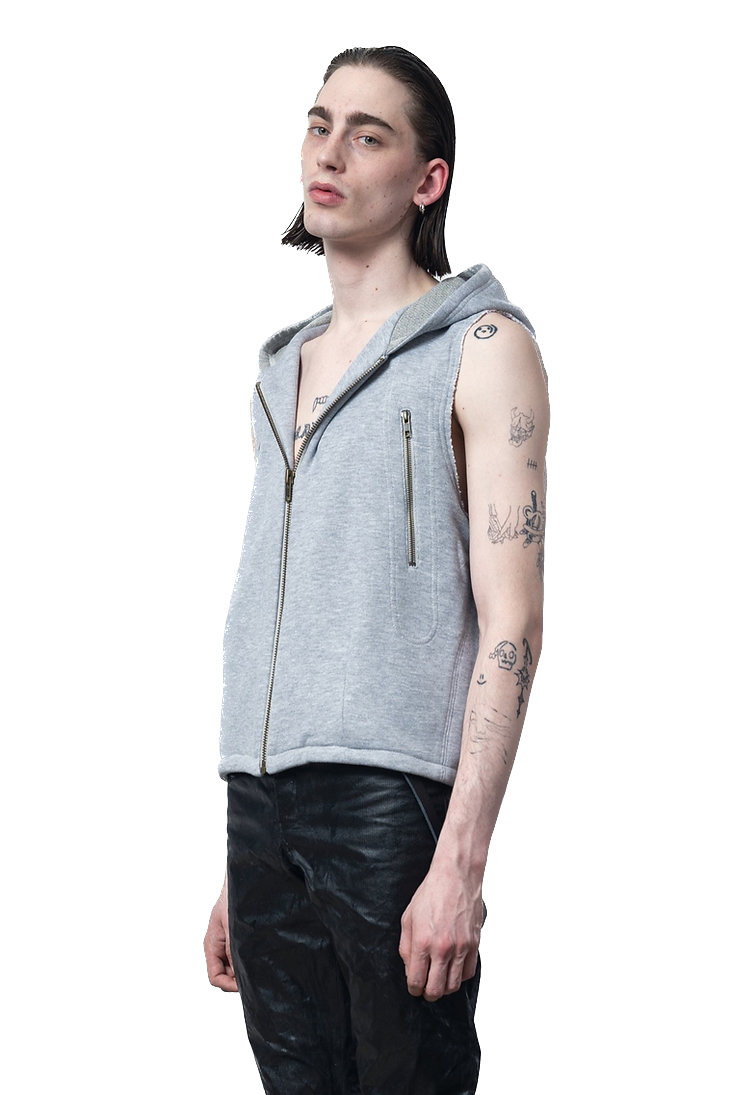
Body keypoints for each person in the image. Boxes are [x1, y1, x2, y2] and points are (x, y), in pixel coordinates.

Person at [204, 46, 548, 1094]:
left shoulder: (482, 344)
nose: (330, 154)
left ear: (427, 179)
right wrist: (240, 860)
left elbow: (513, 623)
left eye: (368, 135)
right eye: (320, 126)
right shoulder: (277, 368)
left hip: (392, 799)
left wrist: (461, 862)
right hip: (259, 803)